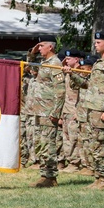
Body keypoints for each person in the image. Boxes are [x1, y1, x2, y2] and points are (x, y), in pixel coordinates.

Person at [65, 30, 104, 190]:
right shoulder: (99, 63)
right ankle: (98, 177)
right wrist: (72, 75)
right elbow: (89, 85)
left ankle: (103, 180)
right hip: (91, 108)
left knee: (100, 145)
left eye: (98, 42)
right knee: (92, 145)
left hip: (100, 111)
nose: (95, 45)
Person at [26, 35, 66, 188]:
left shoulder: (55, 63)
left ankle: (50, 177)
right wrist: (32, 53)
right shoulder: (43, 63)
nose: (39, 48)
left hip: (48, 111)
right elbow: (30, 67)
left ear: (51, 47)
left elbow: (60, 91)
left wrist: (56, 112)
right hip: (39, 110)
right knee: (40, 143)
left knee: (48, 144)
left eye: (41, 45)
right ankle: (44, 174)